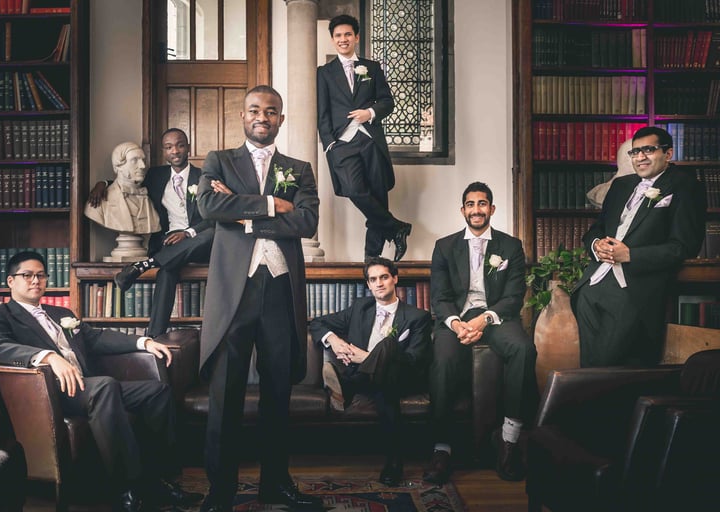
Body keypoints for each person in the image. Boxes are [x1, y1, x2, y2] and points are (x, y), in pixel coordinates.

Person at [0, 250, 202, 512]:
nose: (35, 281)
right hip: (50, 393)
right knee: (105, 385)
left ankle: (158, 480)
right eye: (27, 275)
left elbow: (95, 337)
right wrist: (48, 356)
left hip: (87, 387)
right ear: (10, 281)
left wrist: (144, 341)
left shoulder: (58, 311)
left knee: (157, 391)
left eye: (40, 275)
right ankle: (128, 487)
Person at [195, 85, 321, 512]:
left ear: (281, 119)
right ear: (243, 115)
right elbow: (210, 207)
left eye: (271, 111)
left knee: (277, 393)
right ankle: (221, 490)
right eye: (254, 110)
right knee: (225, 395)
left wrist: (244, 215)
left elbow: (307, 221)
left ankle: (276, 485)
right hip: (235, 291)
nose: (262, 116)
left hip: (279, 293)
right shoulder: (219, 162)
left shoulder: (299, 168)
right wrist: (270, 205)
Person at [424, 182, 539, 484]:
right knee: (444, 359)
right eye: (471, 204)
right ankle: (442, 448)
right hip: (456, 319)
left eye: (482, 203)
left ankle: (509, 441)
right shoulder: (444, 246)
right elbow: (439, 296)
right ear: (463, 210)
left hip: (497, 318)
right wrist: (456, 323)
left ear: (492, 209)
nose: (477, 209)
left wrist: (484, 319)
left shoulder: (510, 246)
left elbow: (514, 295)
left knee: (524, 349)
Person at [572, 126, 707, 368]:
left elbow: (684, 247)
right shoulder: (621, 185)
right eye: (635, 152)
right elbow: (596, 229)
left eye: (649, 150)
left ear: (668, 154)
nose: (640, 157)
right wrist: (596, 245)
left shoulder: (686, 186)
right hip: (592, 286)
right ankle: (593, 406)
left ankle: (617, 406)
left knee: (609, 365)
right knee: (589, 365)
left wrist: (631, 255)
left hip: (635, 290)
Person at [309, 256, 431, 486]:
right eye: (373, 279)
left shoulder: (417, 317)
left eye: (384, 277)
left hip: (402, 376)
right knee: (384, 390)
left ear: (395, 279)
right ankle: (394, 461)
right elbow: (317, 323)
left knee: (388, 345)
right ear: (368, 284)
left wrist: (366, 357)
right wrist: (333, 340)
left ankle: (344, 387)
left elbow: (415, 360)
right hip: (376, 382)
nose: (379, 283)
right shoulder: (359, 308)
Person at [89, 129, 215, 336]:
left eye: (180, 145)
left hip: (196, 242)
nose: (175, 151)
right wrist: (102, 184)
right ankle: (154, 335)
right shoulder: (155, 176)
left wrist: (188, 233)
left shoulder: (204, 178)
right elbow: (126, 185)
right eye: (169, 147)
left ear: (188, 148)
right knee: (167, 270)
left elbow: (213, 216)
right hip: (167, 245)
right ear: (164, 151)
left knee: (211, 234)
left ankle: (142, 266)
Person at [317, 14, 412, 262]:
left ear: (356, 37)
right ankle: (396, 228)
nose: (343, 39)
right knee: (354, 190)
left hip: (371, 140)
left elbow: (388, 102)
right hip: (342, 144)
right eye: (338, 35)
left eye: (348, 34)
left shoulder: (372, 68)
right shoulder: (324, 73)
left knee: (378, 199)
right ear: (332, 39)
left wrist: (369, 112)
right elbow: (322, 112)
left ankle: (372, 260)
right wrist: (330, 146)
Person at [84, 142, 161, 235]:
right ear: (118, 166)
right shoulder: (100, 203)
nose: (142, 166)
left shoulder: (151, 189)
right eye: (134, 160)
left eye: (143, 160)